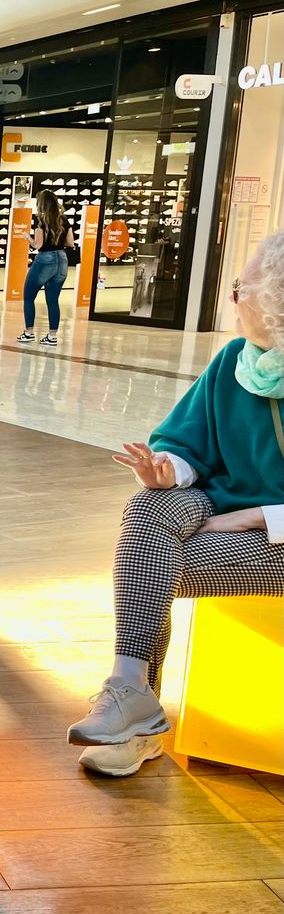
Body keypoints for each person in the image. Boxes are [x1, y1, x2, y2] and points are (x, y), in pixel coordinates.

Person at [68, 230, 284, 776]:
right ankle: (131, 689)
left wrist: (257, 515)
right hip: (220, 509)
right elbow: (189, 439)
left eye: (241, 289)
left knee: (151, 567)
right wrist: (170, 469)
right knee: (149, 509)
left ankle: (140, 720)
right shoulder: (236, 361)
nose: (233, 300)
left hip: (275, 532)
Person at [17, 189, 74, 347]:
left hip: (45, 260)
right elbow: (70, 242)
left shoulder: (41, 220)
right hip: (62, 259)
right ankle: (52, 336)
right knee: (53, 300)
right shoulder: (64, 220)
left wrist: (27, 237)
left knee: (29, 297)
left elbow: (38, 245)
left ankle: (28, 333)